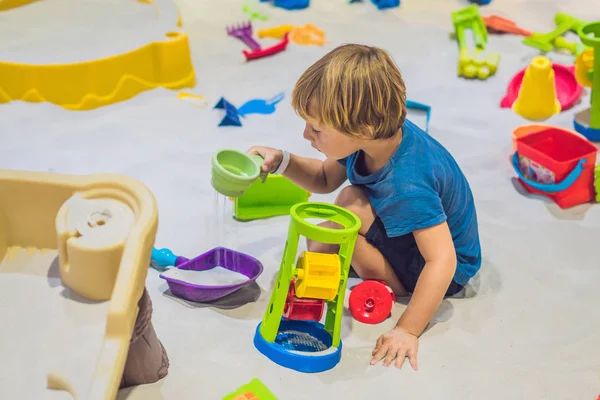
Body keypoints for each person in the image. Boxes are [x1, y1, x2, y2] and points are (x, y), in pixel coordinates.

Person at [247, 44, 481, 371]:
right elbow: (326, 177)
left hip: (444, 272)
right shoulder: (371, 139)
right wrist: (281, 161)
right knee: (348, 202)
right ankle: (326, 271)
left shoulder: (409, 182)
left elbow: (442, 260)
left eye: (316, 128)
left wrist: (407, 329)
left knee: (348, 218)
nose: (305, 134)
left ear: (362, 130)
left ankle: (391, 282)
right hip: (414, 240)